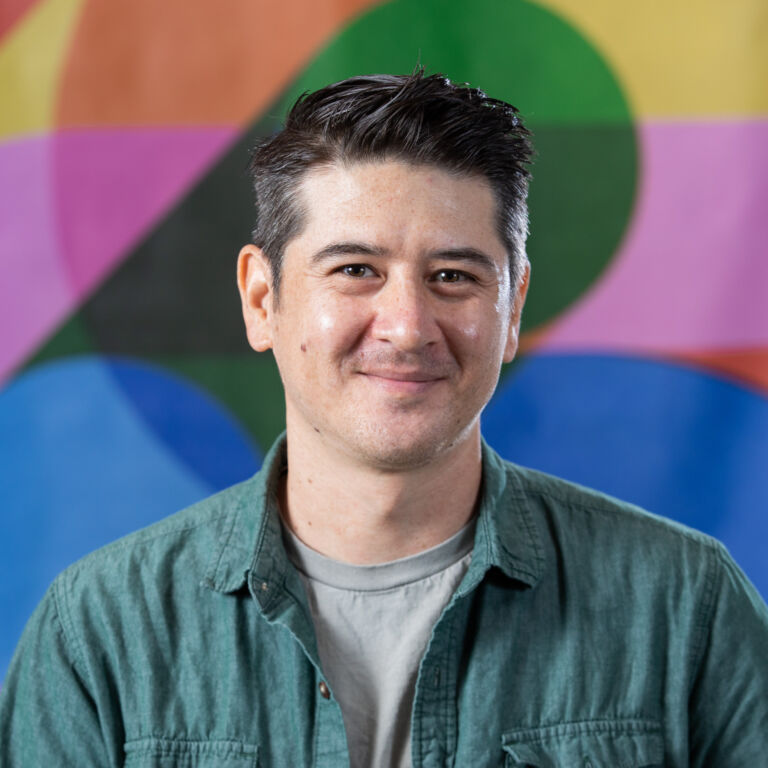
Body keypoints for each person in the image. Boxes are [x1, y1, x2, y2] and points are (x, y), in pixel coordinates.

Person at [1, 72, 767, 768]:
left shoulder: (687, 608)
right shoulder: (97, 634)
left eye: (452, 276)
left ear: (512, 310)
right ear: (262, 300)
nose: (407, 326)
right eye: (355, 270)